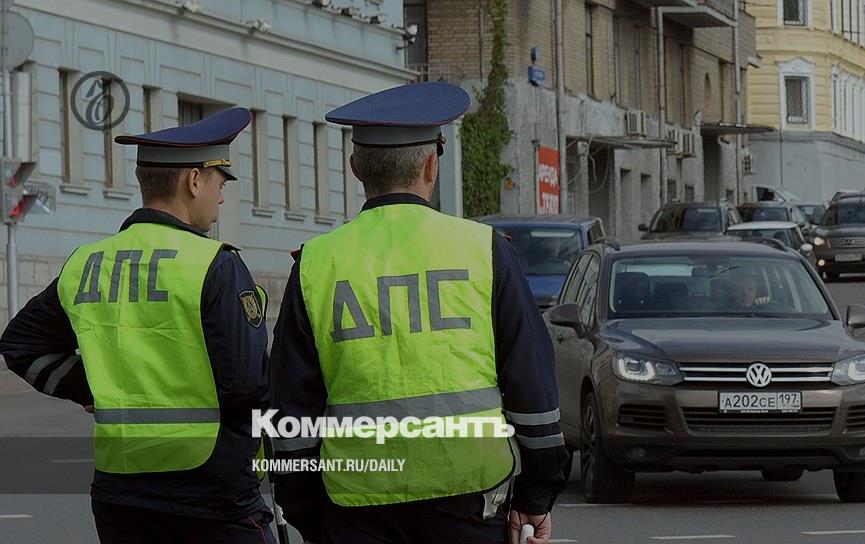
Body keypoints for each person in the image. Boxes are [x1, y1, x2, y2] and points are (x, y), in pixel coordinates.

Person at [269, 82, 571, 544]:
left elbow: (291, 410)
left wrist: (308, 513)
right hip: (468, 502)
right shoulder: (484, 251)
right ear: (432, 165)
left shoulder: (316, 264)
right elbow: (533, 389)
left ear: (355, 168)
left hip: (356, 508)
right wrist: (535, 496)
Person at [0, 108, 276, 543]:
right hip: (211, 491)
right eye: (220, 184)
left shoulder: (87, 263)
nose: (221, 198)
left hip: (120, 491)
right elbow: (248, 386)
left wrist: (92, 390)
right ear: (194, 181)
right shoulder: (215, 264)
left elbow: (21, 344)